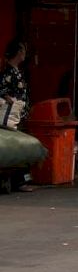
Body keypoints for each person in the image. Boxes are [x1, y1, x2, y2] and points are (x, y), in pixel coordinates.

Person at [0, 39, 33, 192]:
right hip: (11, 116)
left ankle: (20, 180)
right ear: (19, 52)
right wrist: (10, 101)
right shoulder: (8, 72)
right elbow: (2, 90)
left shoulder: (16, 71)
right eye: (23, 51)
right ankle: (19, 182)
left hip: (18, 115)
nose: (25, 54)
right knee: (17, 147)